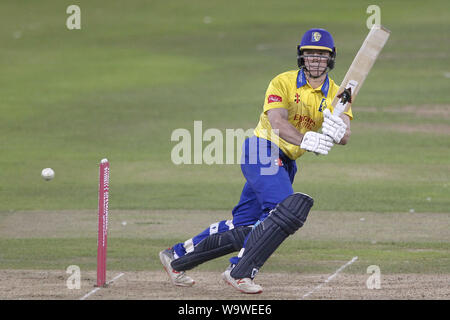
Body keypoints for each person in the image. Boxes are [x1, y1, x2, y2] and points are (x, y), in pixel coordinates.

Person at [159, 28, 353, 294]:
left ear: (330, 59)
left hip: (286, 162)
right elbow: (277, 122)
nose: (316, 60)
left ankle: (177, 257)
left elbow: (345, 132)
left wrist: (339, 131)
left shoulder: (338, 93)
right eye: (310, 54)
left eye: (322, 55)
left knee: (246, 227)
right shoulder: (282, 82)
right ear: (302, 57)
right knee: (285, 211)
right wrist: (306, 139)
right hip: (262, 150)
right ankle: (239, 272)